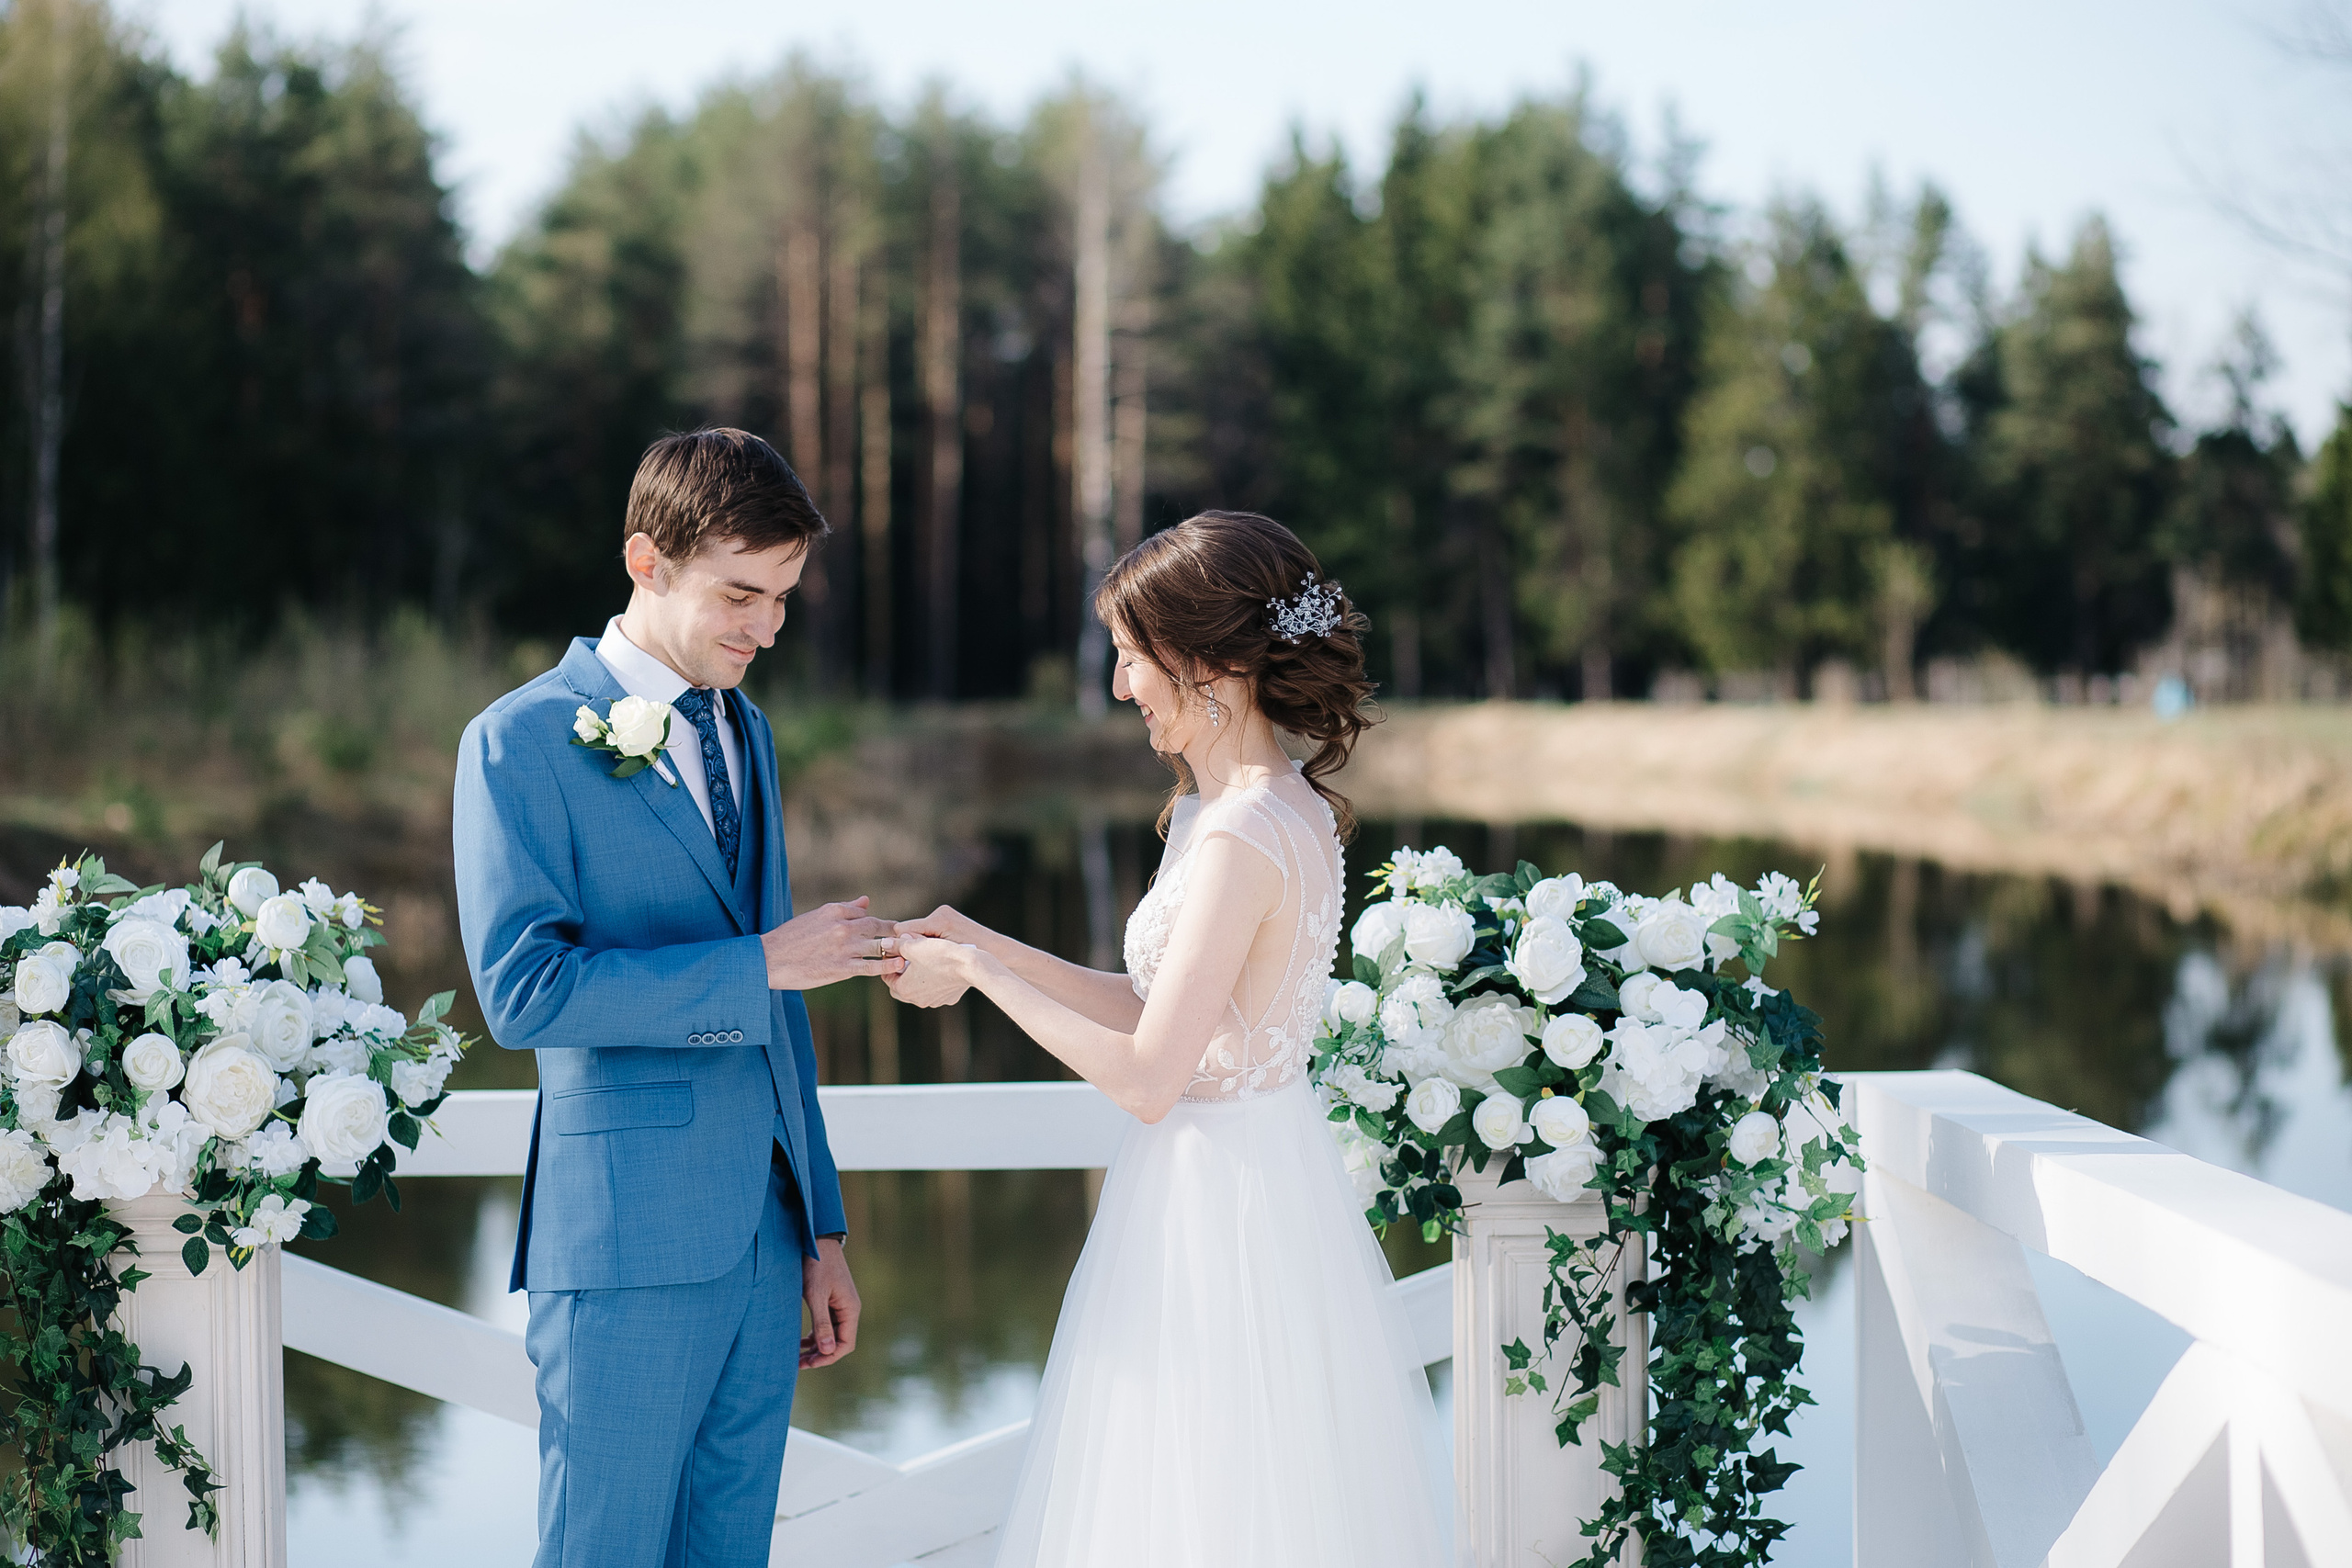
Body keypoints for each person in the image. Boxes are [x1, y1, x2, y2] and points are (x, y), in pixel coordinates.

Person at [888, 511, 1452, 1567]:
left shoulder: (1242, 832)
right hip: (1242, 1180)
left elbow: (1151, 1077)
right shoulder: (1252, 808)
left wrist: (977, 978)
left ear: (1212, 663)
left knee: (1208, 1499)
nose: (1117, 687)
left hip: (1217, 1214)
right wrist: (981, 938)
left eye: (1131, 658)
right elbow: (1161, 1009)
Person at [452, 428, 904, 1568]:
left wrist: (821, 1230)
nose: (765, 628)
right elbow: (526, 996)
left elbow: (782, 1010)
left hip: (763, 1243)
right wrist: (757, 965)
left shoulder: (744, 728)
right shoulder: (518, 742)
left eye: (785, 599)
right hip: (622, 1245)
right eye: (740, 595)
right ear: (646, 560)